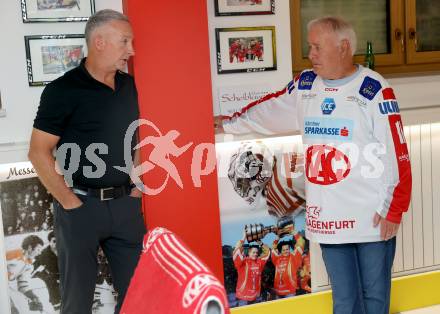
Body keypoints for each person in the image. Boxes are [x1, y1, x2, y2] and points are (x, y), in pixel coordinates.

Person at [215, 16, 412, 314]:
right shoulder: (306, 85)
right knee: (344, 301)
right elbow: (269, 109)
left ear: (343, 47)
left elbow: (397, 154)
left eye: (317, 47)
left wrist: (393, 208)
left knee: (375, 300)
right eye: (310, 47)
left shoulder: (373, 90)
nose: (312, 54)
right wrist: (229, 122)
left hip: (372, 217)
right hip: (330, 218)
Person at [28, 9, 146, 314]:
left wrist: (136, 188)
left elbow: (138, 138)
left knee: (139, 296)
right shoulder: (61, 90)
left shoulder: (131, 87)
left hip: (125, 206)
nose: (131, 51)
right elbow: (38, 152)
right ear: (99, 42)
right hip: (80, 207)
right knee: (77, 302)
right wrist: (69, 202)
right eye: (125, 42)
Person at [233, 233, 270, 306]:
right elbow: (236, 252)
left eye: (257, 252)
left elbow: (267, 252)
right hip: (243, 297)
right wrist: (244, 237)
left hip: (255, 296)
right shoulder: (243, 262)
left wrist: (259, 242)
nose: (255, 254)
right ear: (249, 253)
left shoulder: (259, 262)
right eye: (253, 252)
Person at [271, 233, 304, 299]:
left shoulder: (294, 257)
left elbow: (301, 243)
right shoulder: (277, 258)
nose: (286, 251)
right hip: (278, 292)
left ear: (289, 249)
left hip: (290, 292)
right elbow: (273, 248)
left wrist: (293, 232)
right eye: (284, 250)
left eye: (287, 249)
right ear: (280, 251)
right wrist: (277, 238)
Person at [33, 231, 61, 309]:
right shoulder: (43, 254)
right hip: (53, 282)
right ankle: (57, 307)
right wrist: (48, 278)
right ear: (49, 242)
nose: (58, 243)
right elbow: (36, 271)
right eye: (54, 241)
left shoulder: (66, 250)